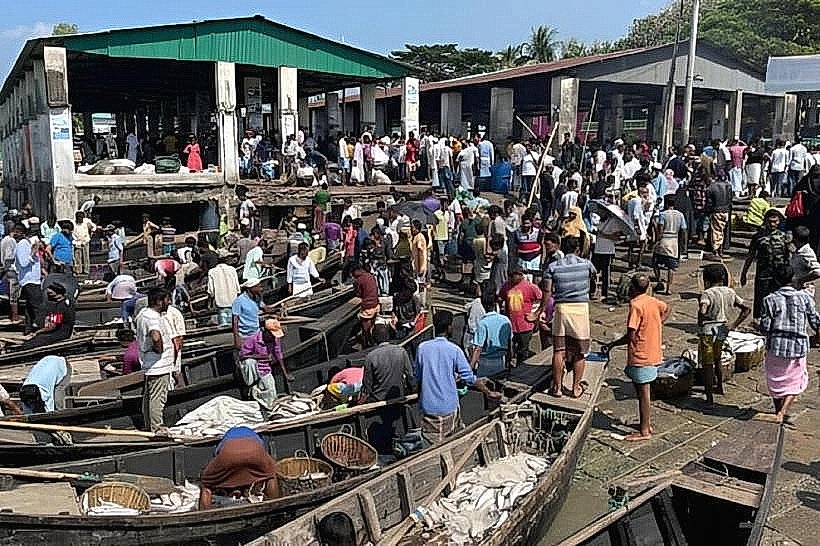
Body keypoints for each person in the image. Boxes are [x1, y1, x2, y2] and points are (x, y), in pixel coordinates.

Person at [414, 311, 501, 444]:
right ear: (449, 327)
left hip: (428, 407)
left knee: (432, 443)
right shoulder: (454, 350)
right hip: (447, 407)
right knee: (445, 445)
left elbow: (418, 377)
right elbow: (469, 378)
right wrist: (488, 392)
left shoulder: (422, 348)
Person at [603, 274, 670, 441]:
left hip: (641, 354)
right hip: (653, 352)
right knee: (643, 391)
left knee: (643, 393)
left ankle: (644, 430)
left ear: (632, 288)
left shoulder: (636, 305)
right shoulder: (653, 301)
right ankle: (645, 423)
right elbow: (667, 308)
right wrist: (657, 323)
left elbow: (631, 335)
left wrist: (612, 344)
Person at [757, 264, 820, 423]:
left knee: (775, 380)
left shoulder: (769, 300)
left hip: (776, 347)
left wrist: (758, 327)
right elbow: (815, 321)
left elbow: (765, 328)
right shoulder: (805, 297)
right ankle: (782, 412)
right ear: (793, 278)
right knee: (796, 381)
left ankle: (778, 411)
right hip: (798, 346)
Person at [540, 237, 597, 398]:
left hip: (561, 309)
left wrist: (540, 311)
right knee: (580, 352)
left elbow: (547, 291)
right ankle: (576, 388)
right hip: (580, 309)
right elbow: (594, 278)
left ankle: (557, 388)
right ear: (578, 249)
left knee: (559, 351)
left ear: (562, 249)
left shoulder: (553, 267)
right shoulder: (587, 264)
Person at [698, 264, 751, 403]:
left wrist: (702, 319)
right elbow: (746, 309)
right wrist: (734, 325)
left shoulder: (707, 294)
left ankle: (709, 396)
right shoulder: (730, 292)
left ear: (706, 281)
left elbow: (703, 310)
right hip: (723, 330)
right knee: (717, 358)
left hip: (708, 332)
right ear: (723, 279)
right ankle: (720, 387)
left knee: (707, 363)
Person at [198, 426, 279, 509]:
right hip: (255, 450)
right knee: (270, 474)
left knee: (206, 483)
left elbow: (220, 458)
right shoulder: (257, 438)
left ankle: (204, 513)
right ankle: (274, 505)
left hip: (228, 453)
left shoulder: (224, 441)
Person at [135, 287, 174, 432]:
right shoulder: (152, 317)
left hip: (151, 364)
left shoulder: (143, 314)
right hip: (159, 365)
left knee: (150, 398)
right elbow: (156, 336)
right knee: (157, 399)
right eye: (167, 299)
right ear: (159, 301)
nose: (169, 302)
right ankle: (156, 428)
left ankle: (149, 425)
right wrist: (159, 349)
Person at [740, 209, 790, 322]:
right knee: (760, 299)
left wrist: (791, 274)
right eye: (770, 221)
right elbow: (750, 256)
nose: (772, 224)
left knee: (779, 298)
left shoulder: (784, 237)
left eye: (775, 221)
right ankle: (759, 322)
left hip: (779, 274)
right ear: (765, 221)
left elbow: (790, 256)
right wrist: (744, 273)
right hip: (763, 273)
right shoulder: (758, 237)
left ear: (779, 221)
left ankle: (777, 322)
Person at [239, 318, 289, 408]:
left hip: (265, 369)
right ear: (264, 331)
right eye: (271, 334)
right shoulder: (253, 339)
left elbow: (278, 355)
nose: (273, 337)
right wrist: (261, 357)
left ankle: (261, 399)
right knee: (249, 362)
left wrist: (285, 374)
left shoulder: (275, 340)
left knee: (271, 393)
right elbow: (242, 356)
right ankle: (251, 385)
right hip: (253, 369)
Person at [498, 266, 542, 365]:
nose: (510, 278)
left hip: (526, 325)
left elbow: (542, 300)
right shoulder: (506, 286)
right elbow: (500, 299)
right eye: (509, 275)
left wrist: (536, 314)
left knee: (523, 351)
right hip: (510, 325)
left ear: (520, 275)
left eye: (512, 275)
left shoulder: (531, 287)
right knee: (508, 350)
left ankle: (520, 369)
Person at [17, 282, 75, 351]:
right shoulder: (68, 301)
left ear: (56, 293)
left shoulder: (59, 307)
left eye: (50, 293)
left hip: (59, 334)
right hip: (66, 331)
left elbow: (52, 326)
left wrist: (37, 332)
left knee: (34, 342)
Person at [470, 291, 512, 377]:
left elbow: (478, 349)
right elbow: (510, 344)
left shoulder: (483, 323)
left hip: (485, 363)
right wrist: (508, 362)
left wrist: (470, 368)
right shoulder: (506, 320)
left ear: (483, 305)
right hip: (501, 361)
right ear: (495, 304)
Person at [652, 195, 687, 294]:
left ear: (666, 203)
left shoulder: (663, 214)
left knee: (655, 263)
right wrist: (684, 245)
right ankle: (668, 288)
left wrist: (656, 239)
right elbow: (684, 230)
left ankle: (659, 281)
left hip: (663, 241)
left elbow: (660, 230)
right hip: (674, 242)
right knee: (671, 267)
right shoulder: (680, 215)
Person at [13, 222, 42, 334]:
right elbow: (24, 262)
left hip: (32, 279)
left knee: (29, 307)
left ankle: (28, 329)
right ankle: (41, 329)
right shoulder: (23, 244)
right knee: (38, 307)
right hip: (30, 280)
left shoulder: (25, 243)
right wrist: (33, 253)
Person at [232, 278, 274, 349]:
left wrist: (278, 309)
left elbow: (266, 309)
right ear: (250, 288)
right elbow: (235, 321)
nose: (260, 289)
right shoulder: (239, 301)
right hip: (244, 335)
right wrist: (236, 339)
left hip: (256, 333)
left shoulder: (257, 299)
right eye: (258, 287)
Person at [208, 249, 241, 327]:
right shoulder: (232, 270)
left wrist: (209, 303)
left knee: (223, 326)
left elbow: (211, 291)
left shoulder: (212, 271)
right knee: (235, 325)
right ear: (226, 259)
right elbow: (238, 289)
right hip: (233, 302)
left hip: (221, 303)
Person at [351, 263, 380, 347]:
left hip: (367, 307)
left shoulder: (359, 280)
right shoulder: (371, 276)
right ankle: (372, 341)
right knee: (371, 328)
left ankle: (366, 345)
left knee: (365, 331)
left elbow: (358, 294)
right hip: (376, 304)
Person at [706, 174, 733, 259]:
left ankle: (716, 251)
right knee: (722, 231)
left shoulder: (712, 187)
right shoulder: (728, 186)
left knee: (716, 231)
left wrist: (708, 210)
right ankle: (720, 250)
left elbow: (709, 201)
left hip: (716, 211)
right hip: (726, 211)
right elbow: (730, 198)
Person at [512, 213, 541, 282]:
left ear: (531, 223)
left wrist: (542, 260)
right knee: (523, 279)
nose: (525, 225)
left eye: (527, 223)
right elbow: (515, 246)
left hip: (535, 258)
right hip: (522, 259)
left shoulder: (537, 232)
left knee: (536, 280)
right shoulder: (517, 232)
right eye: (524, 223)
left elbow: (542, 245)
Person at [72, 211, 96, 275]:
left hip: (85, 241)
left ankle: (86, 270)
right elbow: (72, 234)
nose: (80, 219)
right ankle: (78, 271)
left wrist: (91, 229)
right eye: (79, 217)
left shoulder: (86, 221)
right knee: (77, 257)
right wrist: (76, 242)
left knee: (86, 257)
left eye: (81, 217)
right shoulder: (73, 223)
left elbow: (94, 227)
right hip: (77, 242)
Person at [410, 220, 428, 288]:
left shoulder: (419, 237)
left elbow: (421, 252)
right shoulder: (416, 236)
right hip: (416, 264)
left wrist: (421, 267)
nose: (411, 229)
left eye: (412, 227)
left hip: (419, 265)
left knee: (420, 285)